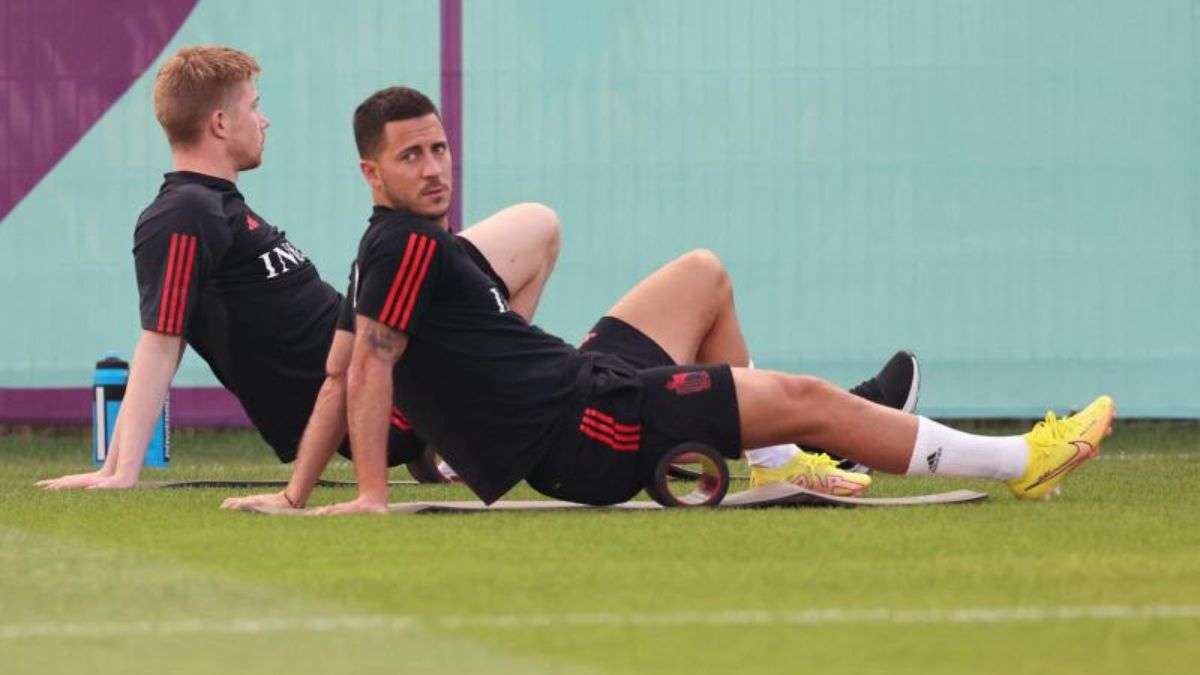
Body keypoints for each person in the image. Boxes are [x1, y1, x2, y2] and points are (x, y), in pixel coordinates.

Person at [301, 87, 1113, 516]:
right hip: (590, 434)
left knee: (701, 273)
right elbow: (370, 367)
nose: (435, 167)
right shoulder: (400, 244)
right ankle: (1022, 461)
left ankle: (776, 465)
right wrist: (370, 494)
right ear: (372, 174)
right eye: (412, 156)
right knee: (806, 397)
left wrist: (297, 489)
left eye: (439, 147)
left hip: (584, 382)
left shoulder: (406, 247)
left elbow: (338, 375)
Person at [35, 46, 562, 490]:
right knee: (536, 225)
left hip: (396, 360)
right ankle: (473, 425)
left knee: (537, 229)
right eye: (253, 107)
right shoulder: (185, 212)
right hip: (381, 389)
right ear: (220, 123)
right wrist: (119, 470)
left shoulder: (218, 206)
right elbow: (160, 339)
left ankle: (448, 435)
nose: (263, 120)